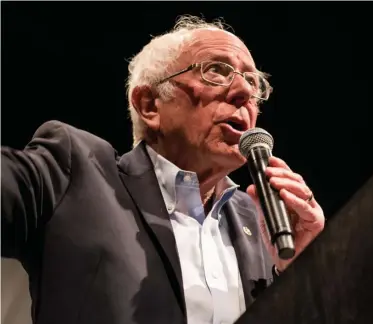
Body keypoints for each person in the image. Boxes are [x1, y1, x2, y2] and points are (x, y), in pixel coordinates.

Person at [1, 15, 325, 324]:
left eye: (253, 84)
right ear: (149, 105)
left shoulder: (263, 224)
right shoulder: (76, 172)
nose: (244, 93)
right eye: (216, 70)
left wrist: (299, 268)